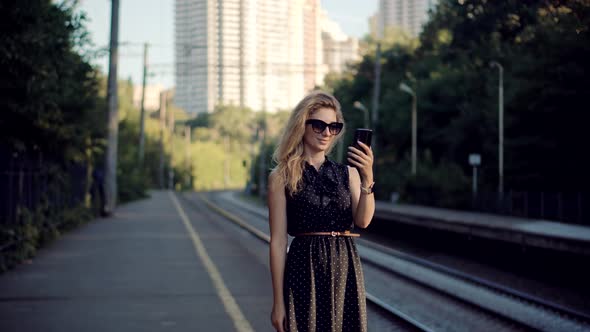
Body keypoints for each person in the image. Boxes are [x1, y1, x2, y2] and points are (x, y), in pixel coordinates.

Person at [268, 91, 375, 332]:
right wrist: (278, 302)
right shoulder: (281, 176)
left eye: (333, 127)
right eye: (318, 125)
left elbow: (364, 220)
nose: (326, 133)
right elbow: (277, 242)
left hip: (344, 266)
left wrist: (368, 177)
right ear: (301, 126)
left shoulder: (349, 173)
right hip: (303, 269)